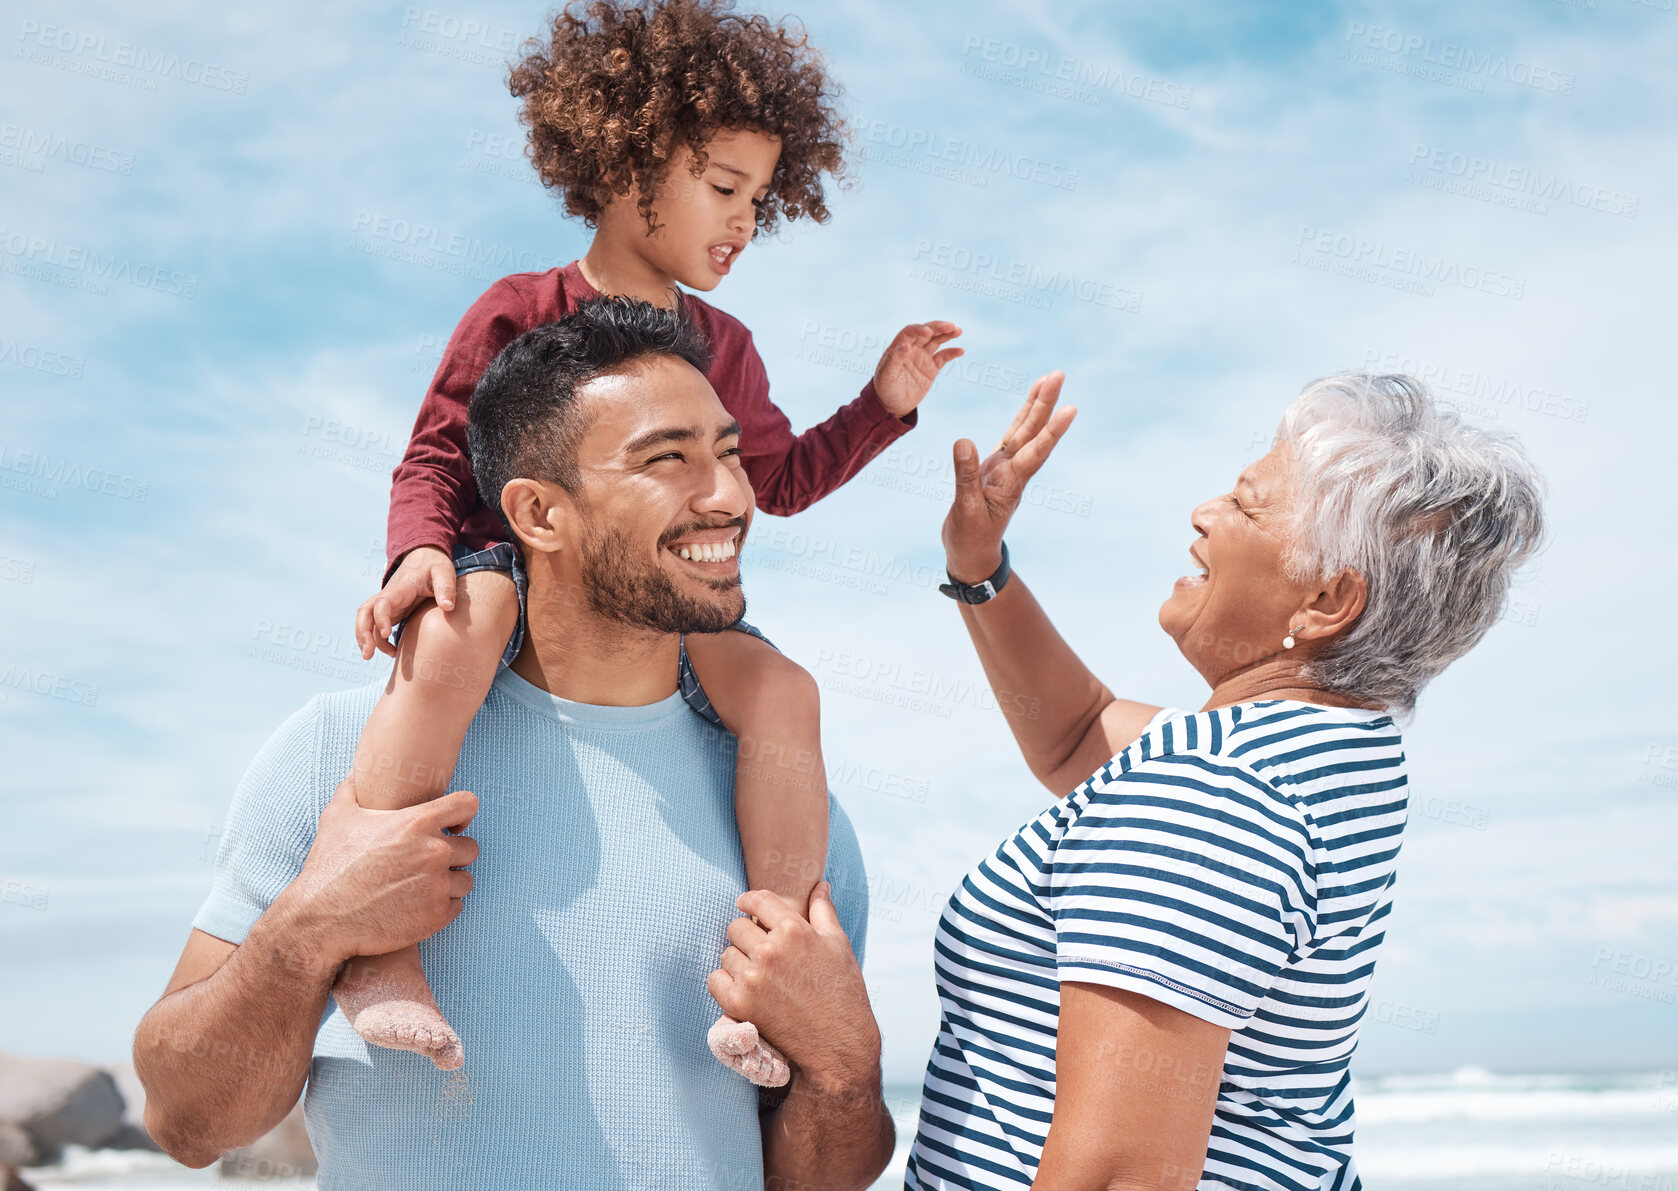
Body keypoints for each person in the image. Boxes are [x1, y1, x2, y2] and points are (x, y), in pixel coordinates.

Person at [132, 300, 895, 1190]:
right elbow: (187, 1124)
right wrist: (311, 931)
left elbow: (815, 1176)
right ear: (537, 512)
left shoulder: (786, 795)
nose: (731, 493)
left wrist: (847, 1067)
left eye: (728, 452)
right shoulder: (334, 750)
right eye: (668, 460)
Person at [345, 0, 962, 1077]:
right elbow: (439, 453)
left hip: (664, 608)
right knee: (456, 625)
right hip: (516, 576)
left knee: (783, 689)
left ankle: (767, 978)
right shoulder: (520, 306)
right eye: (722, 188)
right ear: (627, 162)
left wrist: (881, 403)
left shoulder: (726, 345)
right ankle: (381, 951)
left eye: (761, 200)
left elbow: (782, 481)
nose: (743, 221)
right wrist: (418, 555)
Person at [905, 372, 1545, 1189]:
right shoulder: (1332, 748)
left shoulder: (1214, 795)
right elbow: (1076, 731)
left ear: (1325, 599)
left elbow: (1119, 1176)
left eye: (1245, 505)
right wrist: (979, 566)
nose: (1204, 512)